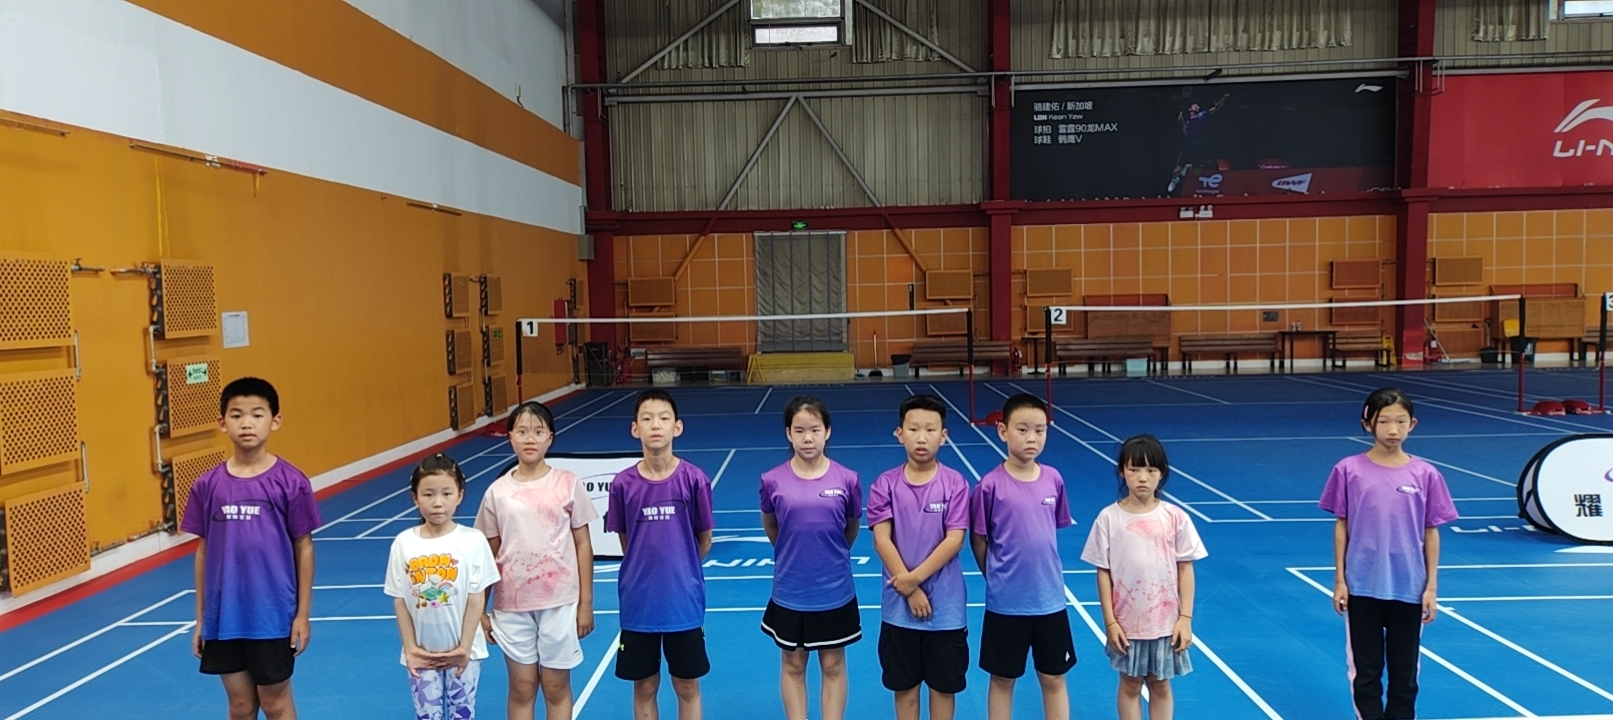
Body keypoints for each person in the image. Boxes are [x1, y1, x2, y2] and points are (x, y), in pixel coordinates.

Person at [182, 377, 322, 720]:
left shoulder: (291, 482)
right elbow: (203, 552)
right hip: (225, 617)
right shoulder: (207, 485)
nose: (247, 423)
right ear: (222, 422)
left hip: (272, 616)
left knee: (275, 703)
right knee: (241, 706)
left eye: (257, 414)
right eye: (237, 415)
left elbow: (304, 547)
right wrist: (202, 619)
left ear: (275, 420)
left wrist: (302, 614)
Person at [1319, 388, 1457, 720]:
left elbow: (1431, 531)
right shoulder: (1348, 470)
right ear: (1367, 424)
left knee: (1405, 674)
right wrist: (1340, 581)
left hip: (1409, 587)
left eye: (1400, 421)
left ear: (1413, 424)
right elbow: (1342, 526)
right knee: (1365, 671)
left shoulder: (1426, 474)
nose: (1393, 430)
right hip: (1362, 587)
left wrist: (1431, 588)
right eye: (1384, 422)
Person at [474, 401, 597, 719]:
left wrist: (585, 603)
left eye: (539, 432)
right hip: (512, 605)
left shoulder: (567, 483)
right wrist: (480, 610)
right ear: (510, 437)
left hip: (560, 603)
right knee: (522, 686)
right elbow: (488, 554)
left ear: (550, 438)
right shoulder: (497, 492)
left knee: (556, 686)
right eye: (522, 431)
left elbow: (583, 544)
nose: (530, 438)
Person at [1080, 434, 1207, 720]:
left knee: (1160, 684)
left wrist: (1185, 619)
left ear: (1162, 473)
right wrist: (1110, 622)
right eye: (1134, 469)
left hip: (1165, 624)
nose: (1142, 477)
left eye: (1151, 470)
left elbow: (1185, 568)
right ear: (1122, 471)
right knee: (1130, 684)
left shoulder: (1175, 517)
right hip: (1127, 625)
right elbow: (1103, 572)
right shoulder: (1108, 518)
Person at [606, 389, 715, 719]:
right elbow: (626, 540)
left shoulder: (694, 480)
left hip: (683, 601)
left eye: (664, 418)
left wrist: (681, 568)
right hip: (639, 604)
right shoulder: (622, 484)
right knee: (644, 685)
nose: (656, 425)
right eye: (647, 418)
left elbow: (704, 539)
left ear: (677, 427)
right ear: (635, 428)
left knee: (687, 685)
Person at [970, 393, 1075, 720]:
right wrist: (996, 576)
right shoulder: (989, 486)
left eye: (1040, 430)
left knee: (1054, 677)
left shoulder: (1053, 479)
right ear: (1003, 431)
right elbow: (979, 539)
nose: (1032, 438)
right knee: (1003, 678)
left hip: (1049, 601)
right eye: (1023, 430)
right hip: (1006, 604)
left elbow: (1050, 531)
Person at [759, 395, 862, 720]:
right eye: (800, 430)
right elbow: (772, 525)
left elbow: (851, 527)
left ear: (827, 432)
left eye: (815, 430)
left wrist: (830, 554)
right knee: (793, 663)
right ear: (788, 433)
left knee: (833, 664)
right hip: (790, 589)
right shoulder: (771, 480)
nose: (807, 438)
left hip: (834, 589)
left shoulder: (848, 479)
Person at [868, 394, 970, 720]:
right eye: (913, 429)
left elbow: (955, 540)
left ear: (944, 435)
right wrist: (910, 590)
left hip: (947, 610)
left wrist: (913, 580)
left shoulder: (955, 484)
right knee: (905, 687)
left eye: (930, 429)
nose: (921, 438)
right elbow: (882, 540)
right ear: (900, 434)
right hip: (899, 610)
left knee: (943, 688)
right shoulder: (885, 484)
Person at [385, 454, 500, 720]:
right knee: (426, 716)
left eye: (446, 493)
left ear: (460, 495)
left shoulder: (473, 540)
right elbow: (400, 599)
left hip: (464, 653)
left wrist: (465, 648)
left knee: (463, 715)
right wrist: (410, 649)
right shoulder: (403, 543)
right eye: (428, 494)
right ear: (415, 498)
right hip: (421, 655)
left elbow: (476, 597)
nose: (437, 503)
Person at [1167, 92, 1231, 195]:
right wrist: (1182, 122)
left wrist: (1222, 99)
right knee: (1176, 169)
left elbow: (1215, 108)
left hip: (1198, 147)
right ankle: (1175, 179)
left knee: (1196, 172)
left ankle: (1187, 167)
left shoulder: (1201, 116)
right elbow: (1186, 132)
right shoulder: (1189, 122)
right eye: (1194, 105)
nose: (1197, 106)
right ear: (1190, 109)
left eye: (1198, 106)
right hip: (1188, 146)